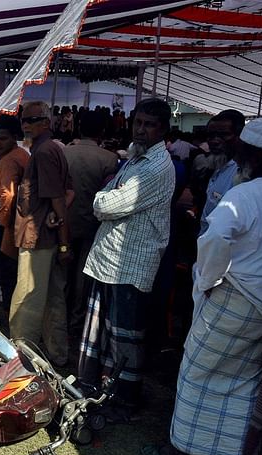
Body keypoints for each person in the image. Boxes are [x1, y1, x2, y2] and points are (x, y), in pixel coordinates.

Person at [142, 118, 262, 455]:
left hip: (233, 294)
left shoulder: (243, 194)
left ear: (250, 155)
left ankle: (178, 452)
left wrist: (208, 279)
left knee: (197, 372)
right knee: (246, 381)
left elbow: (216, 235)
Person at [78, 97, 175, 417]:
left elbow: (106, 206)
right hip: (113, 259)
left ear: (162, 130)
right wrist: (107, 197)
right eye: (138, 123)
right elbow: (110, 201)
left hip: (130, 262)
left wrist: (102, 198)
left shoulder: (156, 166)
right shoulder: (137, 158)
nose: (141, 130)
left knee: (125, 336)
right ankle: (102, 388)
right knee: (106, 330)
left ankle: (127, 399)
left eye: (149, 125)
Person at [9, 101, 72, 367]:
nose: (26, 125)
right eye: (24, 120)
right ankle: (57, 353)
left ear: (46, 122)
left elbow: (59, 197)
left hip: (38, 237)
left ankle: (22, 354)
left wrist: (64, 242)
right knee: (52, 297)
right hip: (45, 235)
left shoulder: (45, 151)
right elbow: (67, 194)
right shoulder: (47, 149)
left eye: (32, 119)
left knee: (27, 298)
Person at [63, 110, 119, 342]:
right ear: (102, 131)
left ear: (78, 126)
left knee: (62, 275)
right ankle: (76, 322)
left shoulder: (64, 152)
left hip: (63, 223)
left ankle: (59, 320)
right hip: (92, 225)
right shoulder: (109, 158)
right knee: (82, 279)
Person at [0, 114, 29, 320]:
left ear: (14, 137)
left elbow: (8, 194)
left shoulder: (10, 160)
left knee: (5, 272)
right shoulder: (21, 154)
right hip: (18, 221)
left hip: (7, 224)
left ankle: (6, 315)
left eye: (2, 139)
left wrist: (2, 223)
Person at [192, 110, 245, 235]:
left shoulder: (242, 173)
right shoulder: (213, 165)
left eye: (223, 135)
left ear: (240, 136)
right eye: (211, 135)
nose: (214, 141)